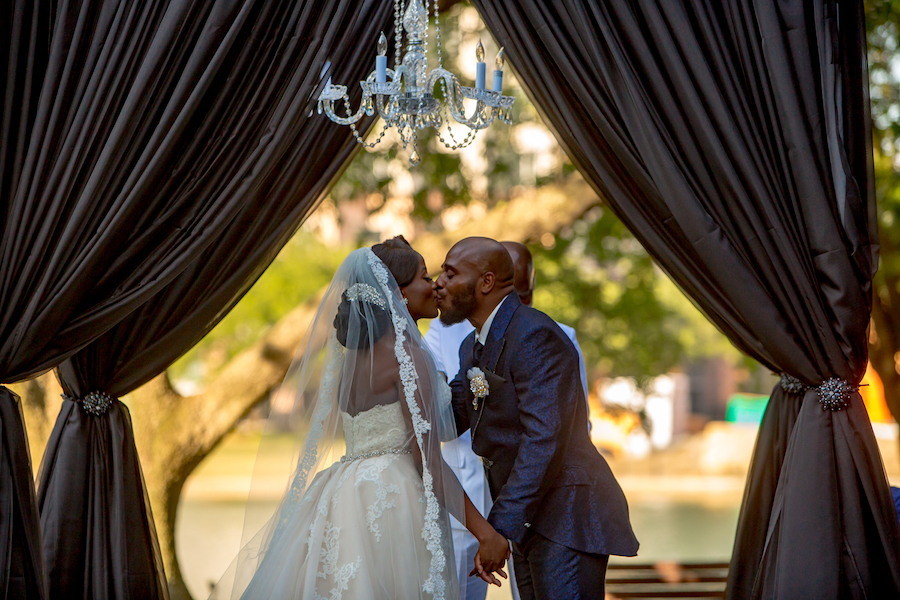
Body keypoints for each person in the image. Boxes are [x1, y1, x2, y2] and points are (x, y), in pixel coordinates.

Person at [211, 237, 509, 600]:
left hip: (343, 493)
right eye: (424, 276)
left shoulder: (353, 363)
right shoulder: (408, 357)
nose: (433, 285)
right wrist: (485, 532)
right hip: (392, 499)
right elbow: (426, 458)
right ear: (398, 293)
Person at [435, 237, 638, 600]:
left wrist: (497, 529)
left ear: (485, 282)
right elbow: (451, 418)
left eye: (450, 274)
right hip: (529, 520)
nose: (440, 282)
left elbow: (543, 440)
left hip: (567, 519)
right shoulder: (472, 345)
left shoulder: (534, 334)